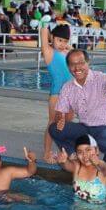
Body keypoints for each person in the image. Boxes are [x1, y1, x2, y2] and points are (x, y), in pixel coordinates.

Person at [49, 49, 106, 170]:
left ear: (88, 63)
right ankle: (74, 155)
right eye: (72, 64)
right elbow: (60, 111)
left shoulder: (101, 78)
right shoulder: (67, 87)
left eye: (81, 63)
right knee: (54, 128)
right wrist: (60, 118)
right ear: (68, 67)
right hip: (86, 128)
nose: (77, 68)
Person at [41, 24, 73, 163]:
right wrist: (49, 33)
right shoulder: (49, 52)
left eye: (65, 41)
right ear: (52, 38)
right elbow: (43, 31)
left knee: (67, 125)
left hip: (71, 95)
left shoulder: (67, 53)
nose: (62, 44)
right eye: (59, 40)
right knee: (53, 123)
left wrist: (68, 46)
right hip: (57, 95)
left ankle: (63, 152)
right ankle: (47, 154)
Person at [57, 134, 106, 203]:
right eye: (80, 152)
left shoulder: (101, 167)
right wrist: (63, 161)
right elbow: (66, 165)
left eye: (88, 150)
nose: (84, 155)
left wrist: (98, 163)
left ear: (97, 150)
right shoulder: (77, 166)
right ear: (76, 154)